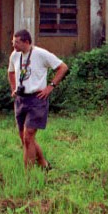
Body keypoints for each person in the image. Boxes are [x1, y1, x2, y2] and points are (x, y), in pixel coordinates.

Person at [7, 29, 68, 170]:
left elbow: (63, 67)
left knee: (28, 136)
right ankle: (43, 163)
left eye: (16, 42)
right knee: (24, 138)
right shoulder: (15, 55)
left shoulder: (41, 54)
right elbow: (10, 72)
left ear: (26, 42)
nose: (13, 45)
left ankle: (29, 174)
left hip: (37, 100)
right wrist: (14, 88)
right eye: (13, 42)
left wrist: (50, 87)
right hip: (21, 99)